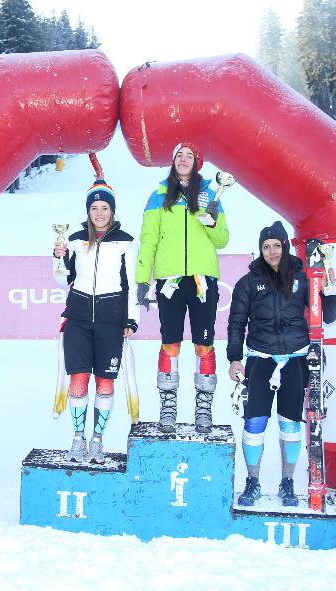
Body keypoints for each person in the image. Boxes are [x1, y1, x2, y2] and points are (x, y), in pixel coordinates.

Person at [226, 221, 336, 507]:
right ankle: (252, 482)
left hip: (295, 360)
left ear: (285, 246)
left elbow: (329, 316)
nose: (272, 251)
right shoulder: (248, 282)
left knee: (290, 424)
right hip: (260, 360)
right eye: (266, 247)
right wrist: (234, 358)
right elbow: (236, 323)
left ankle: (287, 482)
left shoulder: (303, 278)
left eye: (276, 245)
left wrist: (329, 289)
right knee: (254, 423)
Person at [135, 142, 229, 434]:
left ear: (197, 162)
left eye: (189, 155)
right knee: (170, 343)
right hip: (171, 280)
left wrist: (212, 223)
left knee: (204, 344)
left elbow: (222, 240)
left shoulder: (211, 194)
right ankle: (168, 406)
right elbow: (148, 239)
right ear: (173, 161)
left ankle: (204, 407)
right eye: (179, 155)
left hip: (202, 279)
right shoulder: (158, 195)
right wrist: (142, 278)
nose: (184, 159)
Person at [53, 179, 138, 463]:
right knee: (78, 379)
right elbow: (62, 280)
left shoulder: (126, 241)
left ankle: (98, 439)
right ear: (88, 211)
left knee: (105, 382)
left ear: (112, 210)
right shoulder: (75, 239)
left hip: (110, 322)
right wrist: (58, 258)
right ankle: (78, 438)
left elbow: (133, 284)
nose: (99, 213)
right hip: (77, 319)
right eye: (94, 208)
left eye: (104, 207)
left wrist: (131, 318)